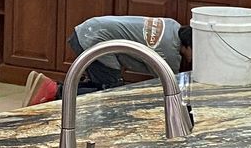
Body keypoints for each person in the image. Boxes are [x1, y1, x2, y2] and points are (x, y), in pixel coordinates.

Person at [24, 16, 192, 106]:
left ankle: (47, 85)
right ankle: (54, 92)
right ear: (189, 46)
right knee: (112, 91)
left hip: (88, 29)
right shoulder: (169, 54)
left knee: (105, 82)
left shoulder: (173, 25)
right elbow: (170, 86)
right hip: (93, 39)